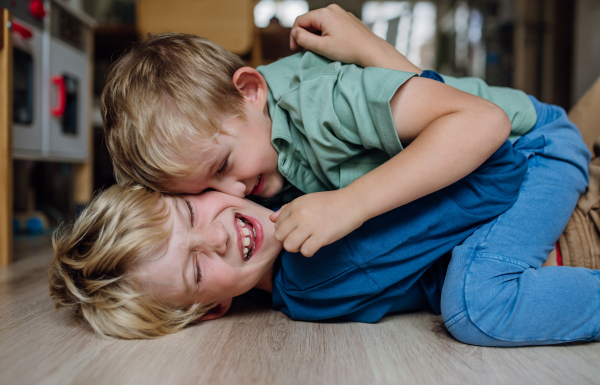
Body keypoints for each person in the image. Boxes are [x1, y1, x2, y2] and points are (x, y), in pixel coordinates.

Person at [49, 96, 597, 344]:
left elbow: (495, 164)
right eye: (195, 269)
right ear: (209, 309)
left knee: (477, 305)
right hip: (516, 158)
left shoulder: (281, 177)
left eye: (191, 211)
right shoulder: (313, 274)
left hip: (527, 153)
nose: (215, 237)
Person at [101, 5, 537, 259]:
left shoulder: (324, 102)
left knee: (480, 301)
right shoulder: (260, 141)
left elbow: (484, 124)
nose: (233, 193)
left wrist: (352, 204)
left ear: (250, 90)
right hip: (480, 165)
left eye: (223, 166)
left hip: (527, 143)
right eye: (205, 190)